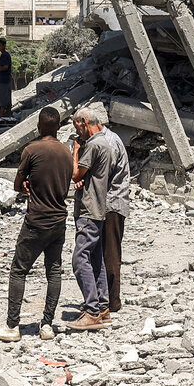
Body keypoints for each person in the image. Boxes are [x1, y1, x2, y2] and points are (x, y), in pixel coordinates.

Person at [0, 106, 73, 343]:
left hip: (36, 220)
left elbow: (17, 184)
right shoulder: (67, 152)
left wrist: (27, 185)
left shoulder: (32, 150)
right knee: (53, 271)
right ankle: (47, 324)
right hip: (59, 219)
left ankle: (13, 326)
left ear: (39, 126)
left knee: (19, 270)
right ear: (57, 126)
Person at [68, 106, 113, 330]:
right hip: (99, 207)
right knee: (96, 259)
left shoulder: (93, 145)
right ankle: (103, 306)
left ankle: (91, 309)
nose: (79, 133)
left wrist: (75, 151)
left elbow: (76, 173)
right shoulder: (106, 143)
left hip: (88, 207)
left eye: (78, 127)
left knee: (80, 259)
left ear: (84, 122)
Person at [103, 127, 131, 313]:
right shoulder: (111, 140)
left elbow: (102, 176)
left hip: (111, 205)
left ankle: (112, 301)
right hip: (113, 204)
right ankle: (108, 299)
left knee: (111, 254)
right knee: (109, 253)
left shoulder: (108, 144)